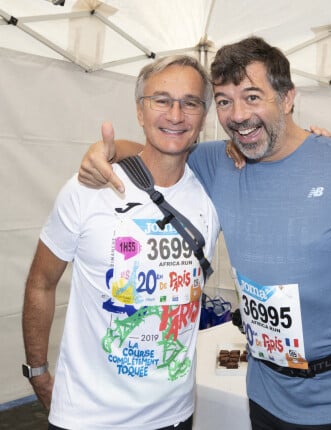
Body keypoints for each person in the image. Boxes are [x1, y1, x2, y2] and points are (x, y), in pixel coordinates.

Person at [78, 37, 331, 429]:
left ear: (288, 97)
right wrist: (102, 151)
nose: (238, 114)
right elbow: (157, 151)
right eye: (224, 101)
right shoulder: (215, 162)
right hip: (265, 392)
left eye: (252, 97)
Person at [22, 55, 220, 429]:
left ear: (202, 116)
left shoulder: (211, 192)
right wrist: (37, 371)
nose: (176, 114)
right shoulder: (89, 188)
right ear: (140, 111)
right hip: (88, 418)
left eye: (190, 102)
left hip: (174, 416)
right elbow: (41, 283)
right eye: (161, 100)